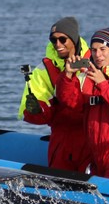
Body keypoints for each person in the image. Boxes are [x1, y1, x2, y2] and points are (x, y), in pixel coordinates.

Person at [55, 28, 109, 182]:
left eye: (103, 49)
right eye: (94, 50)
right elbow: (70, 103)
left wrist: (103, 83)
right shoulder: (86, 75)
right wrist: (68, 75)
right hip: (96, 154)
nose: (98, 55)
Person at [19, 16, 92, 171]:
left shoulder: (95, 61)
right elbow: (34, 112)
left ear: (74, 39)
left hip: (90, 140)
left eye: (62, 39)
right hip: (61, 141)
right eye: (53, 40)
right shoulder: (43, 70)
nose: (57, 44)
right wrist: (36, 110)